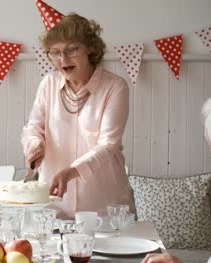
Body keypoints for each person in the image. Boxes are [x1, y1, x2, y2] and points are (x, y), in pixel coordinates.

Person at [21, 13, 133, 218]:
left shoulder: (115, 87)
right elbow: (33, 127)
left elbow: (108, 144)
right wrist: (34, 143)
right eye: (54, 53)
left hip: (104, 208)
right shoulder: (49, 84)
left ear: (90, 47)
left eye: (71, 50)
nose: (62, 60)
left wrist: (72, 171)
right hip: (54, 208)